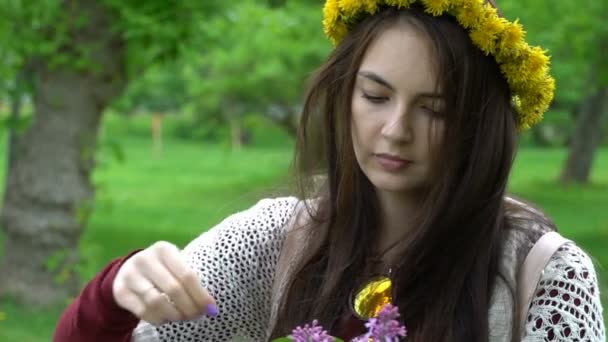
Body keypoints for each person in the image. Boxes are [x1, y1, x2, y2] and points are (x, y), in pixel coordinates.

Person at [54, 0, 605, 341]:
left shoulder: (545, 278)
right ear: (344, 93)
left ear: (477, 125)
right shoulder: (275, 240)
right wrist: (113, 295)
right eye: (375, 95)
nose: (395, 130)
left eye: (434, 109)